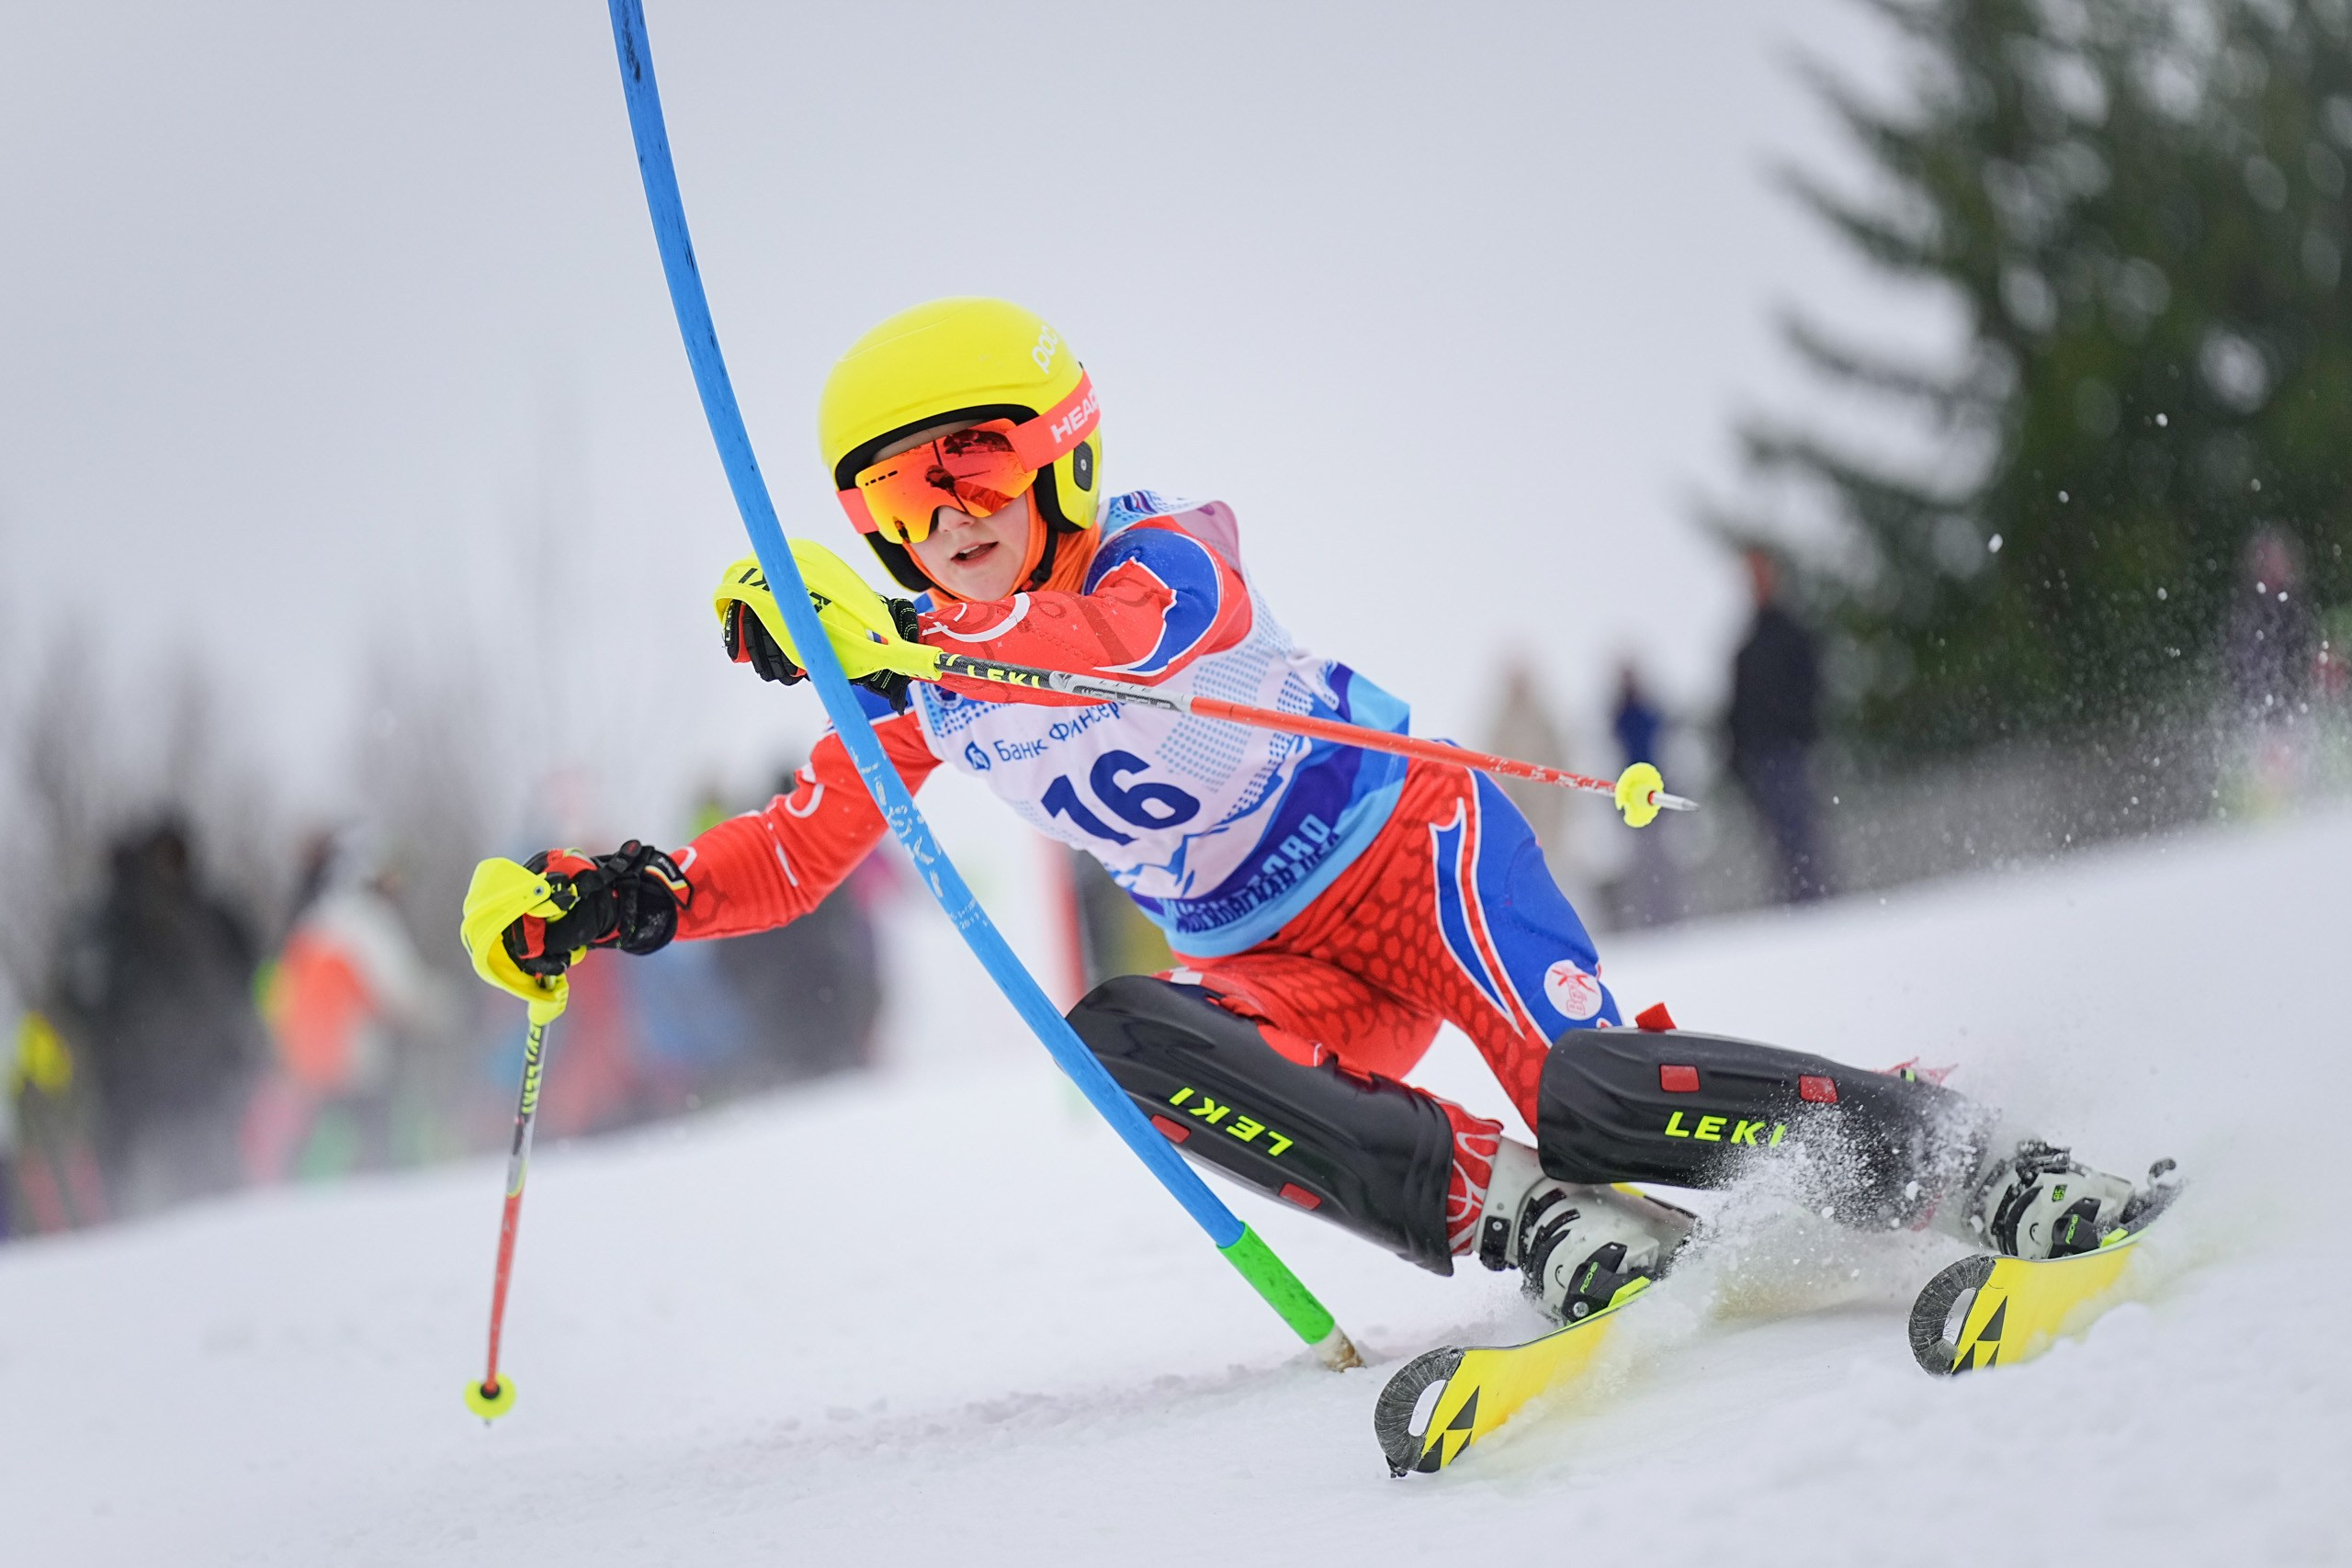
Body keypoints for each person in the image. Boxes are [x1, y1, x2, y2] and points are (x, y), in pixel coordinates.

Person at [465, 299, 2164, 1324]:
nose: (953, 510)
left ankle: (1961, 1159)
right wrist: (619, 901)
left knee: (1594, 1087)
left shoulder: (1161, 549)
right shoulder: (918, 684)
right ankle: (1518, 1217)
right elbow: (798, 849)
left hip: (1417, 855)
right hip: (1285, 965)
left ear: (1057, 452)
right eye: (903, 494)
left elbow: (1118, 657)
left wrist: (890, 629)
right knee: (1121, 1033)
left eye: (978, 460)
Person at [1726, 547, 1828, 903]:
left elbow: (1811, 688)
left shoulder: (1790, 633)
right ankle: (1795, 903)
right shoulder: (1747, 643)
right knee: (1777, 841)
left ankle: (1813, 901)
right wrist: (1738, 757)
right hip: (1760, 758)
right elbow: (1737, 707)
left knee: (1801, 834)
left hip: (1788, 751)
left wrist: (1797, 730)